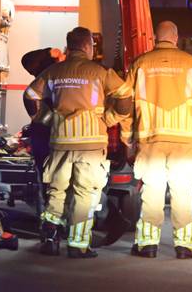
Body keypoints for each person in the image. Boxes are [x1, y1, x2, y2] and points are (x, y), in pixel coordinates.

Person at [25, 27, 132, 258]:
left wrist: (44, 118)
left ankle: (50, 239)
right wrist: (110, 118)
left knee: (56, 191)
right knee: (85, 194)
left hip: (61, 142)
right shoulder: (100, 71)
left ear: (69, 45)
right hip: (91, 145)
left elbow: (30, 95)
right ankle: (78, 245)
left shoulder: (54, 71)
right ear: (87, 46)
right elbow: (125, 95)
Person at [123, 21, 192, 259]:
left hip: (151, 139)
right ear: (176, 37)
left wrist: (127, 134)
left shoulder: (140, 64)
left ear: (156, 37)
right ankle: (185, 246)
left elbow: (124, 103)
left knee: (152, 192)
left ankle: (147, 245)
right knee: (183, 192)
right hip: (183, 141)